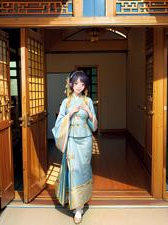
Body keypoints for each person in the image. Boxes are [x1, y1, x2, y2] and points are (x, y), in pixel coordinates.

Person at [52, 70, 97, 224]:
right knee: (74, 170)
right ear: (71, 84)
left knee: (83, 170)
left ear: (85, 86)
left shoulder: (88, 101)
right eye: (76, 83)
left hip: (85, 141)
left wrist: (90, 114)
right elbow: (58, 125)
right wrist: (69, 113)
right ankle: (77, 207)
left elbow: (94, 126)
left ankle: (80, 203)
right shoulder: (66, 102)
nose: (79, 86)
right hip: (71, 140)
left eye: (82, 83)